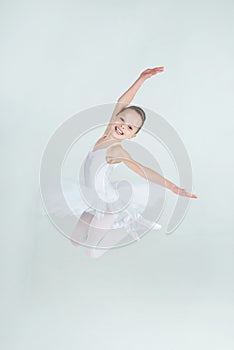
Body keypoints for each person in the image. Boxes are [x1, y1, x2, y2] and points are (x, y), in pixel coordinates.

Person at [69, 66, 198, 258]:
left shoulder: (115, 150)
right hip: (91, 200)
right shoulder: (106, 135)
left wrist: (172, 187)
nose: (122, 126)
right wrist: (141, 79)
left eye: (129, 127)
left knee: (92, 253)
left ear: (133, 136)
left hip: (106, 207)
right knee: (75, 241)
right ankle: (114, 224)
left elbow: (143, 170)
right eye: (121, 120)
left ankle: (130, 225)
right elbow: (123, 102)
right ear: (115, 119)